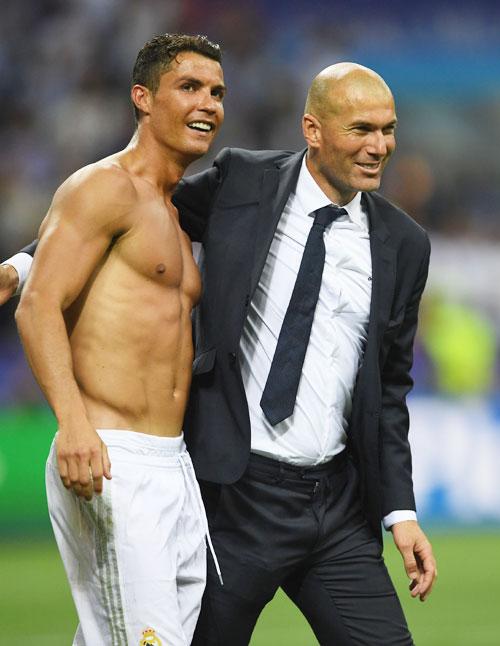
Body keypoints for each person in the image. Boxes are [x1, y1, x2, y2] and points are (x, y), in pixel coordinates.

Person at [1, 62, 436, 644]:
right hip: (236, 496)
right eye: (361, 129)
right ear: (313, 129)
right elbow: (134, 205)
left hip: (336, 507)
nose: (378, 146)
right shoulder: (245, 184)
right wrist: (29, 262)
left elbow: (389, 392)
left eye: (388, 130)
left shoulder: (404, 245)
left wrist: (399, 513)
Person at [5, 33, 226, 646]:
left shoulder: (177, 214)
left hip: (173, 466)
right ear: (143, 98)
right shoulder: (103, 188)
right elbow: (39, 305)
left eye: (216, 91)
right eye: (189, 87)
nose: (208, 102)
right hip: (110, 457)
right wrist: (75, 426)